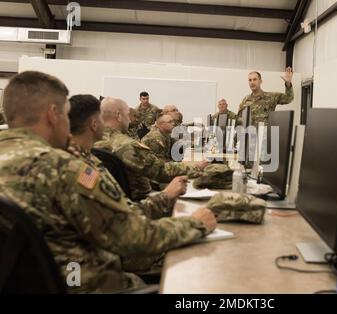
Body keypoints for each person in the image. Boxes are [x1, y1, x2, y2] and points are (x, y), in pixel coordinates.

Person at [0, 71, 217, 293]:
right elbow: (132, 236)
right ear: (53, 114)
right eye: (66, 115)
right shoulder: (62, 167)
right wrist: (196, 224)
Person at [68, 94, 186, 218]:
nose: (105, 123)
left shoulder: (81, 157)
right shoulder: (78, 166)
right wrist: (166, 197)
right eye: (101, 119)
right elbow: (120, 216)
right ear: (94, 124)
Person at [94, 97, 208, 201]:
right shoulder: (127, 145)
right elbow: (160, 170)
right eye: (127, 115)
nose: (129, 120)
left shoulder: (92, 142)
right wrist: (196, 167)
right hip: (139, 202)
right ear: (118, 116)